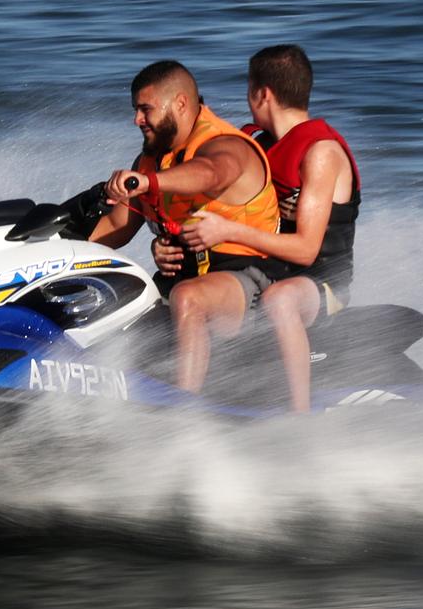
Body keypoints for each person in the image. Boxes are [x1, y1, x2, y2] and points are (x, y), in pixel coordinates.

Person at [157, 45, 360, 414]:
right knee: (183, 294)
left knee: (279, 300)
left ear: (261, 93)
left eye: (248, 89)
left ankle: (300, 417)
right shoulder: (254, 144)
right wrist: (165, 242)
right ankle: (185, 405)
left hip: (321, 281)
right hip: (260, 270)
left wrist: (227, 232)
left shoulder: (321, 153)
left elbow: (306, 251)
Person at [93, 60, 285, 394]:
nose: (137, 120)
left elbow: (211, 172)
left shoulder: (227, 146)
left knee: (188, 299)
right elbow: (115, 227)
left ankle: (183, 417)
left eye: (145, 109)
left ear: (181, 103)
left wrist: (146, 181)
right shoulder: (154, 159)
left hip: (251, 282)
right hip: (189, 277)